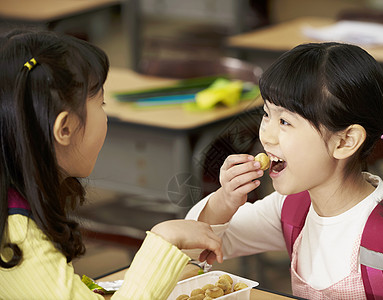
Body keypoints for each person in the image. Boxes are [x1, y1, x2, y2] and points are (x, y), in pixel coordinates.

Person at [186, 42, 383, 299]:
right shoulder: (290, 210)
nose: (267, 136)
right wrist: (225, 199)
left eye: (285, 121)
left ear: (345, 141)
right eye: (266, 114)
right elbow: (195, 248)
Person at [0, 29, 222, 300]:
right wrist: (163, 241)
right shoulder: (19, 238)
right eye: (101, 104)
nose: (105, 117)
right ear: (65, 128)